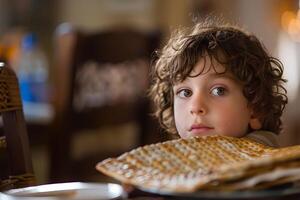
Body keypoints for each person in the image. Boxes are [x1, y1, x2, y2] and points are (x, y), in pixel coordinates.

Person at [149, 19, 288, 147]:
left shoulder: (258, 158)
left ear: (256, 110)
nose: (196, 107)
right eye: (185, 92)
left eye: (218, 91)